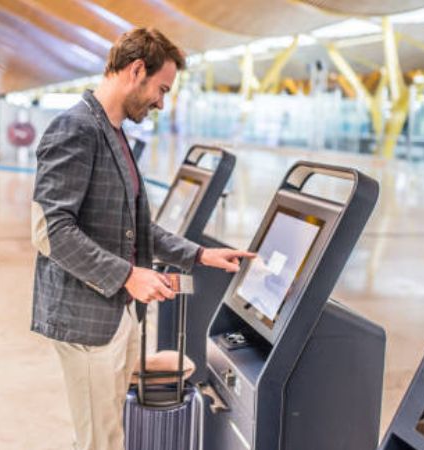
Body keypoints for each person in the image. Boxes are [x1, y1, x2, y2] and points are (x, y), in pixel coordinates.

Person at [30, 28, 254, 450]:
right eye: (161, 89)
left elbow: (136, 227)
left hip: (115, 313)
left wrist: (201, 254)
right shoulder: (76, 129)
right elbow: (50, 230)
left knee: (111, 431)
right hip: (86, 319)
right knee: (101, 440)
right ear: (137, 70)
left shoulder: (112, 132)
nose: (161, 102)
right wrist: (128, 276)